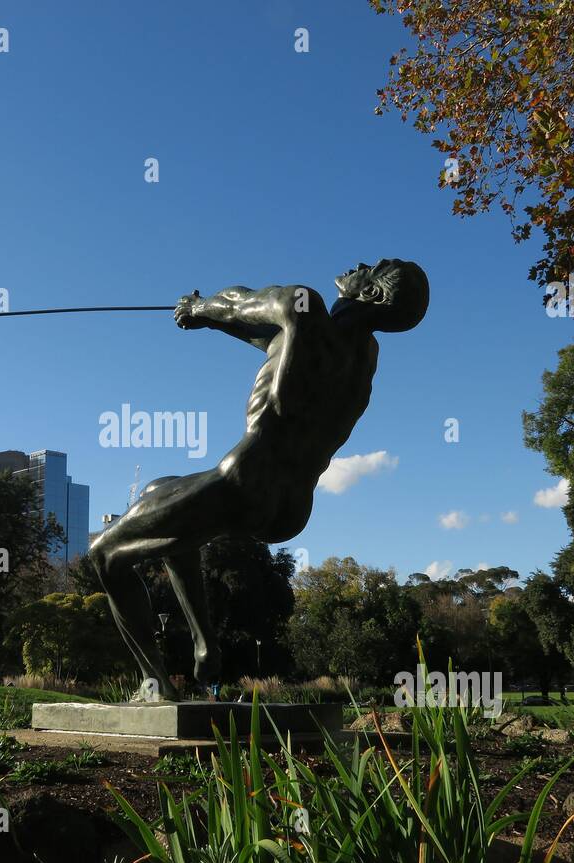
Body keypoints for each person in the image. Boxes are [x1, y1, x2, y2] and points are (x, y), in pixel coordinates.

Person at [89, 260, 428, 699]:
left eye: (375, 268)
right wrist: (208, 317)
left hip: (245, 479)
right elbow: (270, 339)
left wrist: (197, 307)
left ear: (376, 295)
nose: (362, 264)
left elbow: (237, 306)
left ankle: (155, 685)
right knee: (161, 490)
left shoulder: (303, 308)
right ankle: (203, 641)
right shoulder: (363, 360)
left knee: (105, 555)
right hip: (291, 508)